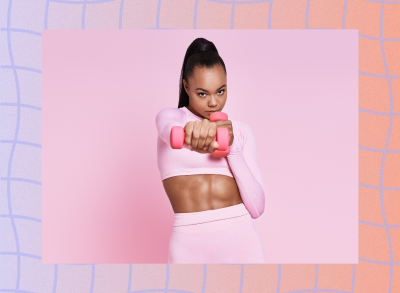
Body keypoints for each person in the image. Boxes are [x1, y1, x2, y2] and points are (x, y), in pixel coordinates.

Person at [155, 37, 266, 264]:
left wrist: (231, 148)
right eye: (203, 93)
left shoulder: (241, 132)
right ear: (187, 86)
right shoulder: (170, 119)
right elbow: (170, 132)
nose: (214, 103)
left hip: (242, 240)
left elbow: (257, 208)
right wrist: (192, 136)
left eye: (221, 91)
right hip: (189, 245)